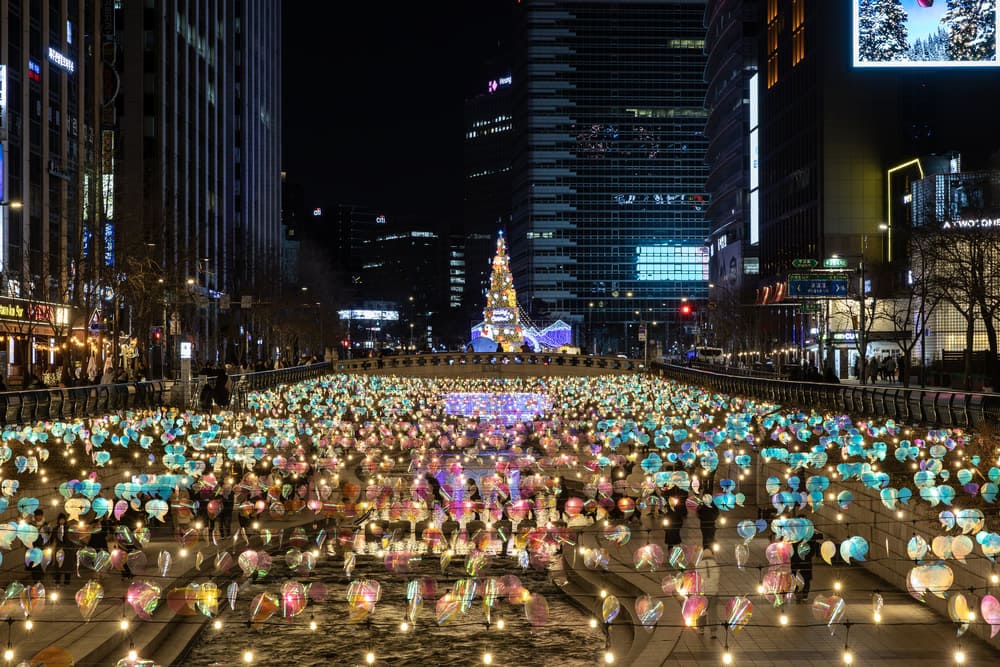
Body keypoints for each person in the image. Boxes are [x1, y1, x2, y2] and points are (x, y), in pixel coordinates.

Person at [696, 550, 721, 638]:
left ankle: (701, 628)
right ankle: (713, 631)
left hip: (703, 593)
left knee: (702, 610)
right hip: (713, 592)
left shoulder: (699, 565)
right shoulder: (715, 564)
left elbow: (697, 580)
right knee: (713, 611)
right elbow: (717, 578)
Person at [50, 513, 73, 587]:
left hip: (68, 549)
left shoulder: (68, 529)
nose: (62, 521)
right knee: (58, 566)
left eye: (63, 519)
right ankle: (57, 582)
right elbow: (52, 539)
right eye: (60, 520)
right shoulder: (55, 529)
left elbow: (71, 539)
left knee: (67, 566)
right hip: (59, 549)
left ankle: (67, 582)